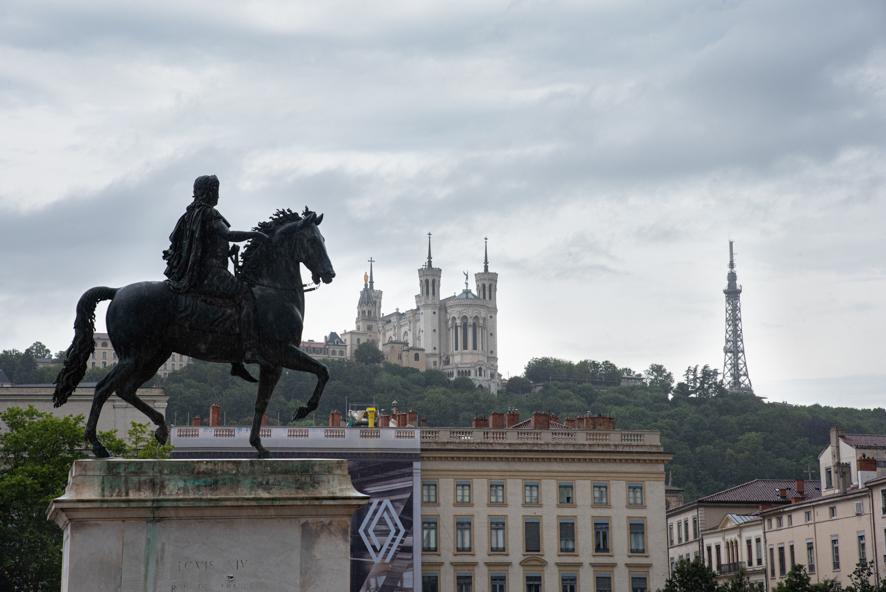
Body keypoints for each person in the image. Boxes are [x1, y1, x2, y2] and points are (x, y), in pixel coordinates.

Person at [163, 175, 272, 374]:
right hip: (211, 273)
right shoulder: (208, 213)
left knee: (230, 304)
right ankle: (249, 350)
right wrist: (255, 235)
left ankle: (234, 358)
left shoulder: (189, 215)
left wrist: (226, 252)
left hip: (195, 273)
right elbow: (228, 235)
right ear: (210, 192)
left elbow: (200, 245)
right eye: (216, 191)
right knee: (246, 296)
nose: (218, 196)